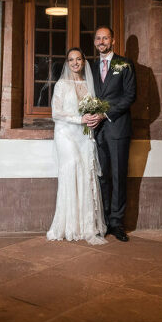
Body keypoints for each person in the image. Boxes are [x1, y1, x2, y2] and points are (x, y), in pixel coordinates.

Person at [46, 48, 107, 245]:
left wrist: (94, 118)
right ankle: (68, 225)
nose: (75, 63)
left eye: (78, 59)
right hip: (65, 134)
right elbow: (56, 113)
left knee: (85, 173)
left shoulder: (89, 84)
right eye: (71, 59)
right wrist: (79, 119)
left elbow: (95, 108)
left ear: (83, 61)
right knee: (71, 169)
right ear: (67, 63)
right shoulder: (61, 84)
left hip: (84, 135)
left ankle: (85, 225)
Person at [85, 26, 137, 242]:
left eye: (105, 37)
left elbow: (130, 96)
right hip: (97, 131)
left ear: (113, 40)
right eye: (98, 38)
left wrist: (104, 115)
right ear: (95, 42)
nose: (101, 41)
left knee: (118, 176)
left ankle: (117, 223)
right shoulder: (92, 66)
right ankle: (104, 222)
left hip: (117, 128)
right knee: (103, 177)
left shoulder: (124, 64)